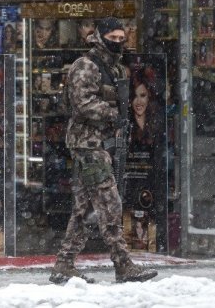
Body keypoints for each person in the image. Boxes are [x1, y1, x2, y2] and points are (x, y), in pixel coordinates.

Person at [49, 17, 158, 284]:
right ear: (101, 37)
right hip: (88, 144)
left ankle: (64, 264)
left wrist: (120, 123)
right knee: (110, 202)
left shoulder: (116, 68)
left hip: (102, 143)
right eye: (114, 38)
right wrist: (115, 115)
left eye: (122, 38)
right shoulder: (86, 66)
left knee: (85, 209)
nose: (118, 43)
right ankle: (123, 264)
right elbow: (82, 103)